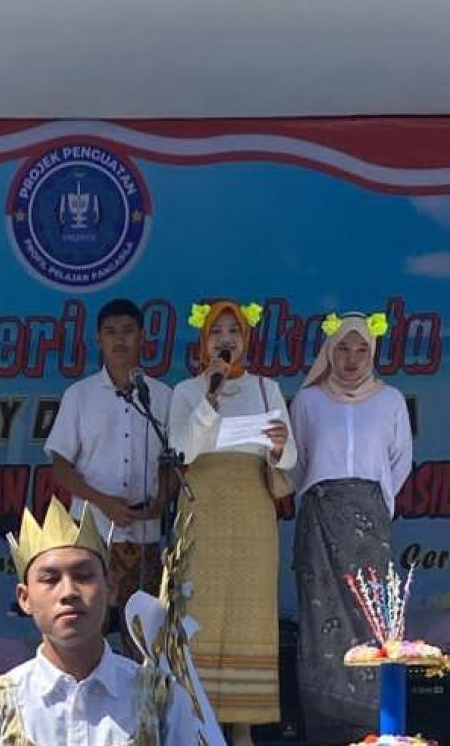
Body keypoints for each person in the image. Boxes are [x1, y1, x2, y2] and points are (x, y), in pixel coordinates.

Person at [0, 496, 206, 746]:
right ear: (25, 598)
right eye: (50, 579)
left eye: (84, 576)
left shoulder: (161, 699)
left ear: (110, 588)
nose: (69, 592)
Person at [167, 299, 295, 746]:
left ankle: (243, 730)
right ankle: (199, 725)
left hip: (252, 511)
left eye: (233, 332)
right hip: (203, 508)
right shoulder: (186, 391)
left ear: (246, 338)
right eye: (217, 332)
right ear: (204, 340)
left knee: (250, 610)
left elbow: (290, 457)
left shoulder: (266, 388)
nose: (226, 339)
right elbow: (181, 451)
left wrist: (278, 447)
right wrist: (210, 398)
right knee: (199, 607)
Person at [288, 312, 412, 745]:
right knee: (319, 620)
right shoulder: (308, 401)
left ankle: (371, 729)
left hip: (369, 525)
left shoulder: (390, 400)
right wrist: (327, 497)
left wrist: (368, 507)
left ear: (373, 352)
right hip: (320, 522)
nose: (352, 358)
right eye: (343, 348)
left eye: (361, 349)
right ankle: (325, 728)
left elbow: (400, 462)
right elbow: (296, 464)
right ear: (329, 351)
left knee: (372, 618)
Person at [45, 298, 172, 655]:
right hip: (92, 530)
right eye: (111, 332)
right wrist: (104, 503)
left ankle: (141, 692)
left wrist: (160, 501)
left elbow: (173, 463)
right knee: (85, 629)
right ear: (98, 339)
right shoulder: (80, 395)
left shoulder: (162, 396)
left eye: (128, 331)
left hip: (144, 533)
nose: (120, 340)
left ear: (142, 338)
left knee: (143, 636)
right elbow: (60, 466)